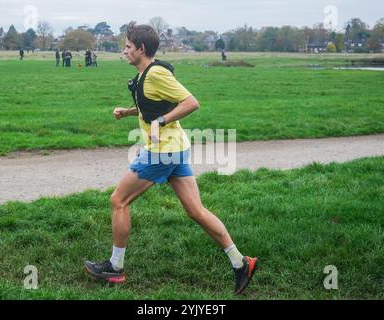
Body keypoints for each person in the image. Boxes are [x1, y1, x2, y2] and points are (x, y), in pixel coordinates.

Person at [84, 22, 258, 295]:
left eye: (128, 46)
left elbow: (191, 102)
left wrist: (159, 122)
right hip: (176, 149)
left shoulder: (156, 74)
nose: (124, 51)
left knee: (118, 201)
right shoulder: (146, 75)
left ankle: (115, 268)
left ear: (141, 49)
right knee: (196, 211)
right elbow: (153, 104)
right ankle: (240, 262)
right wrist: (129, 113)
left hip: (162, 152)